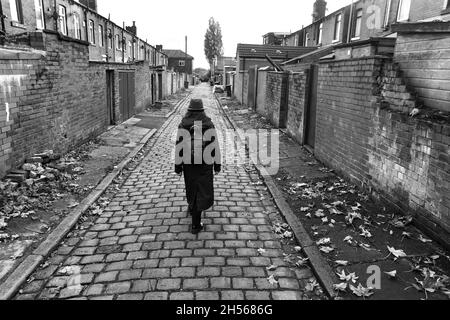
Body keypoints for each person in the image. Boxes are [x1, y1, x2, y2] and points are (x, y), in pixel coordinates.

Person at [175, 99, 221, 234]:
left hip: (188, 163)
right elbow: (215, 146)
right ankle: (196, 224)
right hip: (205, 163)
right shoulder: (208, 124)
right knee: (201, 189)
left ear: (189, 110)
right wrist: (217, 165)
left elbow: (179, 147)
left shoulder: (183, 124)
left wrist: (178, 167)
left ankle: (192, 207)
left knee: (191, 187)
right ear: (202, 110)